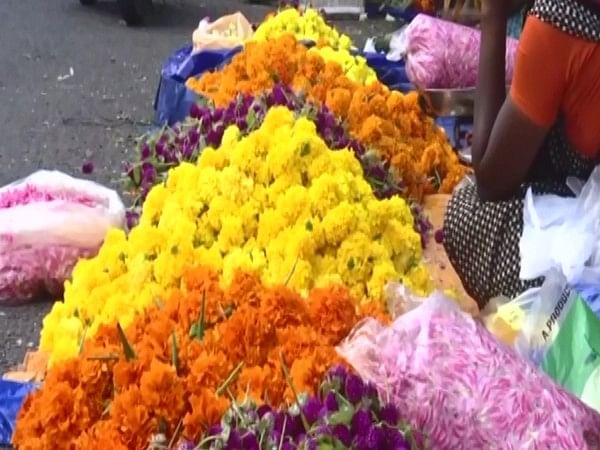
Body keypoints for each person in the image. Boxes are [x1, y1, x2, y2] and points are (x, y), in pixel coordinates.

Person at [442, 0, 600, 308]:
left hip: (587, 261)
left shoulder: (561, 17)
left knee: (466, 213)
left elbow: (492, 182)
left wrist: (494, 16)